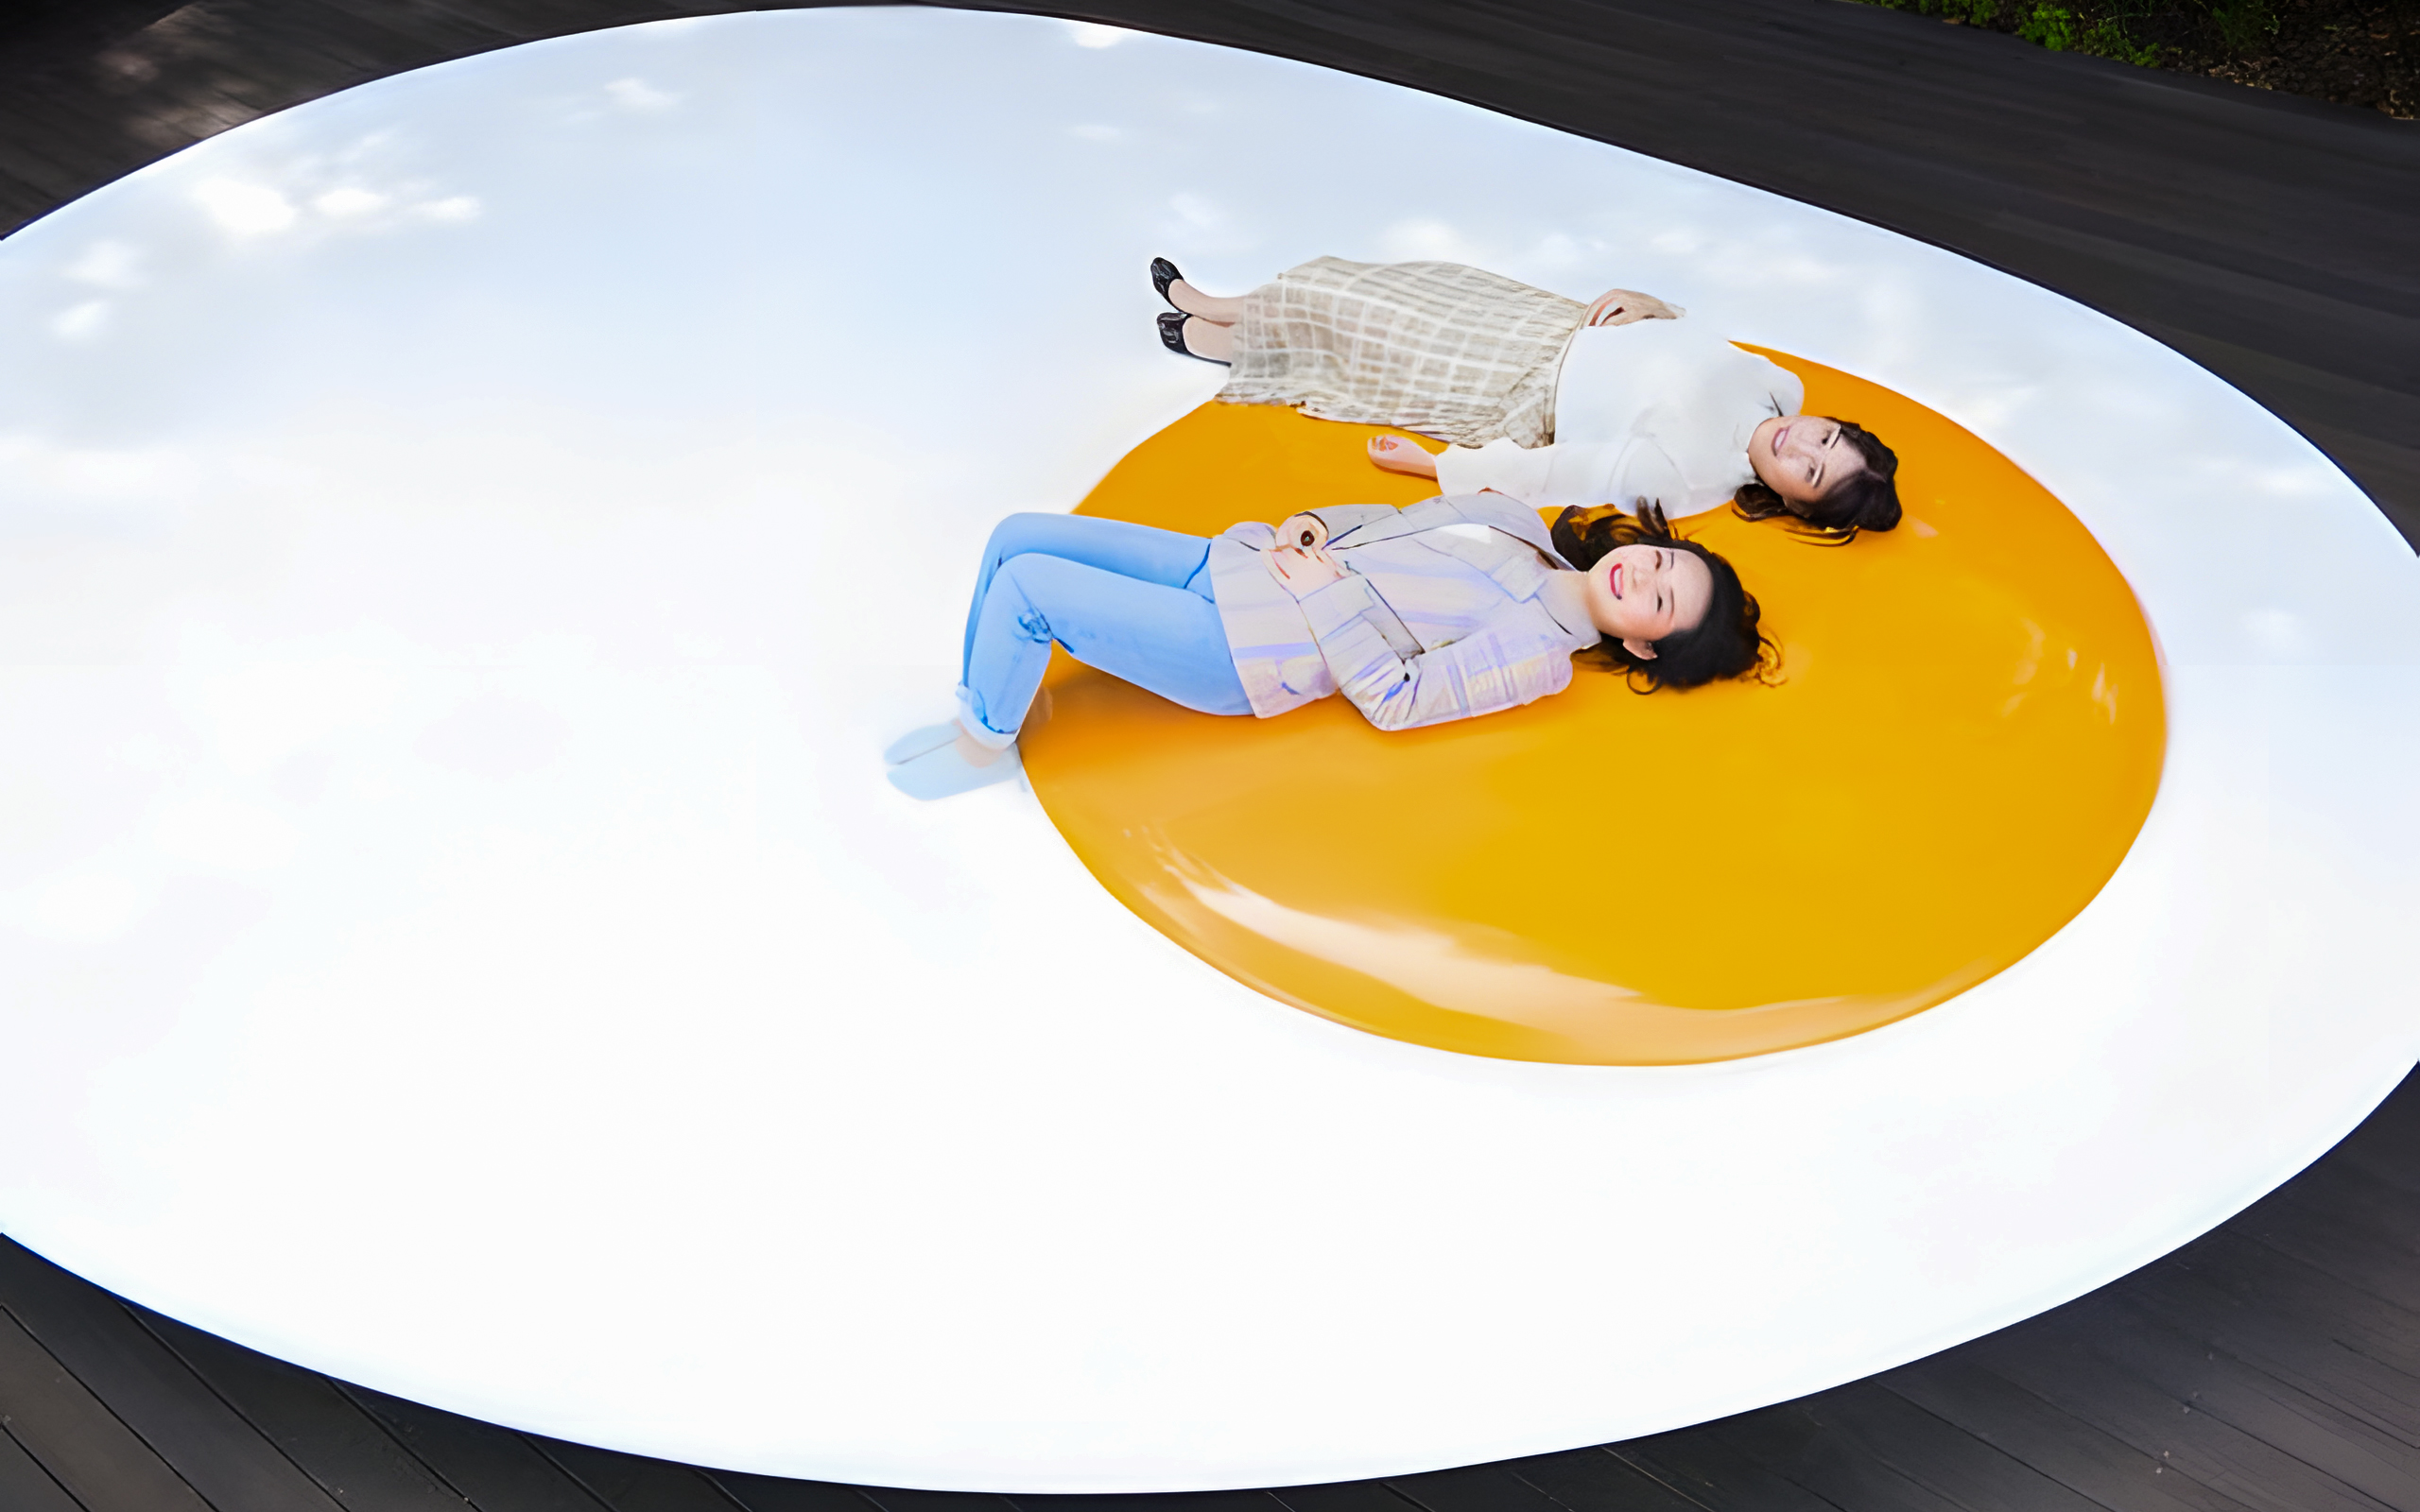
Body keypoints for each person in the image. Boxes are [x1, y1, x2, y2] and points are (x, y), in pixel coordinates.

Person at [884, 494, 1771, 799]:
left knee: (1032, 591)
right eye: (1661, 561)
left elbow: (1397, 700)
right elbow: (1385, 522)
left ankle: (980, 743)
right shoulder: (1514, 520)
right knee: (1015, 538)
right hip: (1234, 562)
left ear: (1650, 650)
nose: (1642, 577)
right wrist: (1314, 525)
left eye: (1662, 603)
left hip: (1245, 646)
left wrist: (1329, 592)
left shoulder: (1537, 655)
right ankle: (981, 698)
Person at [1151, 255, 1901, 539]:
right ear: (1831, 422)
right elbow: (1692, 334)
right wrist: (1650, 304)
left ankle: (1216, 334)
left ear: (1790, 500)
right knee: (1383, 284)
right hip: (1546, 321)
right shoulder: (1782, 386)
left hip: (1517, 384)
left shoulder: (1693, 478)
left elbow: (1564, 473)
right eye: (1826, 439)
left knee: (1361, 323)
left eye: (1809, 472)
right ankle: (1222, 306)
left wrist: (1436, 469)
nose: (1801, 446)